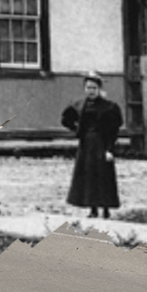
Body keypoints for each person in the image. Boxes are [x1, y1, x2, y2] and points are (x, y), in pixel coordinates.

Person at [61, 71, 123, 218]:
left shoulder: (109, 107)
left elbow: (113, 130)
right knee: (89, 175)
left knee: (104, 175)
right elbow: (66, 119)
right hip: (86, 145)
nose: (91, 91)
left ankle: (106, 209)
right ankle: (92, 208)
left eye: (94, 88)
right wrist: (76, 129)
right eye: (88, 88)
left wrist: (110, 149)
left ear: (99, 89)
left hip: (102, 143)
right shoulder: (79, 104)